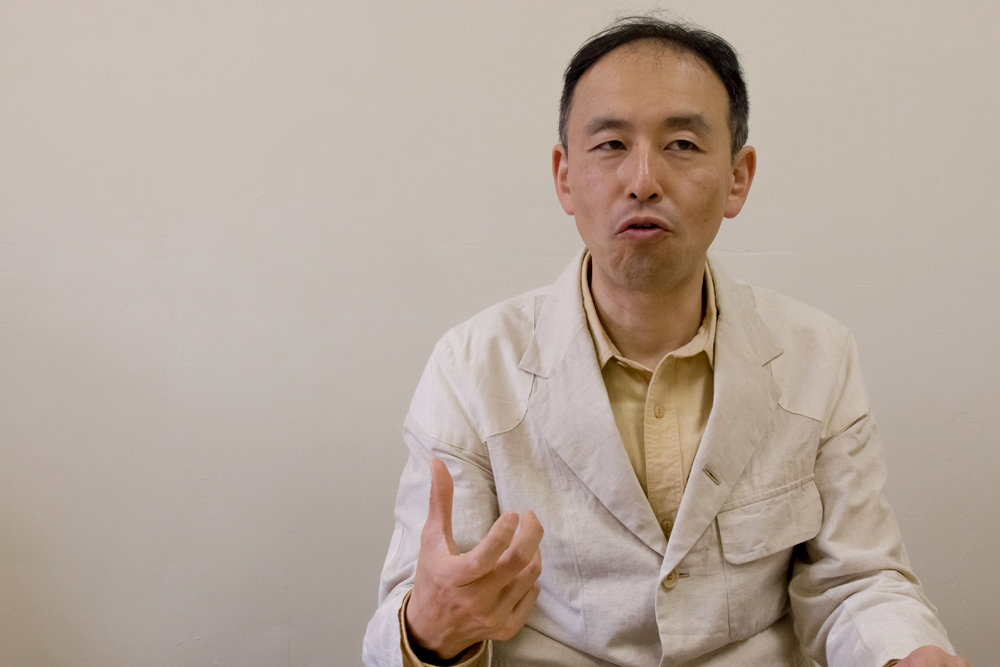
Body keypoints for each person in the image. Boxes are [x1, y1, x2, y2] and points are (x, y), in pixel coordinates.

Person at [362, 16, 968, 667]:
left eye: (682, 143)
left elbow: (857, 581)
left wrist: (908, 653)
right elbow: (408, 615)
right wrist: (428, 631)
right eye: (610, 144)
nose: (643, 180)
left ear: (738, 177)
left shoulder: (817, 356)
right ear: (564, 177)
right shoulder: (472, 366)